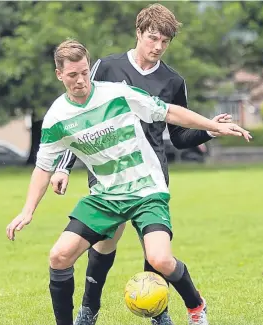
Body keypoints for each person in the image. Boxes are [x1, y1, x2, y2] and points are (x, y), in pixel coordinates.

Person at [6, 40, 251, 325]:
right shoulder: (57, 118)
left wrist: (214, 126)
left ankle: (196, 306)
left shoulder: (117, 94)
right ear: (59, 75)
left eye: (85, 72)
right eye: (73, 75)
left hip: (146, 189)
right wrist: (27, 210)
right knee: (59, 256)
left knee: (160, 259)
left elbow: (169, 111)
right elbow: (42, 167)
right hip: (106, 196)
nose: (81, 80)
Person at [50, 4, 231, 325]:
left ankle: (158, 313)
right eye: (153, 38)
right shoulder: (106, 67)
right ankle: (89, 309)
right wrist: (63, 165)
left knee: (155, 252)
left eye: (165, 41)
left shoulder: (173, 80)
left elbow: (178, 137)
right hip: (108, 176)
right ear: (139, 33)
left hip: (150, 177)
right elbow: (80, 117)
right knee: (104, 245)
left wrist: (210, 128)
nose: (158, 46)